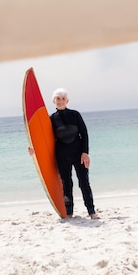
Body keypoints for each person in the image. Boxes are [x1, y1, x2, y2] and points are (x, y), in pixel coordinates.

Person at [50, 88, 99, 219]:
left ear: (67, 101)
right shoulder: (51, 119)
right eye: (57, 98)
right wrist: (32, 149)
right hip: (61, 156)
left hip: (79, 154)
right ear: (53, 101)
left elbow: (84, 133)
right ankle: (69, 212)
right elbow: (43, 139)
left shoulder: (75, 115)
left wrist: (85, 152)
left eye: (63, 98)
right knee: (66, 184)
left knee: (84, 182)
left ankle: (91, 211)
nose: (60, 101)